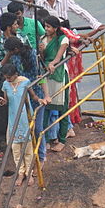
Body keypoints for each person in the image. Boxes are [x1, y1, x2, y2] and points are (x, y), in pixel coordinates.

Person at [0, 63, 48, 185]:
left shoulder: (25, 82)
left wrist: (40, 100)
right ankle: (20, 173)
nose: (7, 79)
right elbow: (7, 100)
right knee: (16, 149)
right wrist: (3, 102)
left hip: (25, 118)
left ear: (15, 74)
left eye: (9, 77)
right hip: (13, 118)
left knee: (28, 148)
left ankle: (29, 173)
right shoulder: (5, 85)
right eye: (5, 77)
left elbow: (33, 96)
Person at [2, 36, 47, 164]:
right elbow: (5, 68)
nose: (9, 54)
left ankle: (41, 156)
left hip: (35, 93)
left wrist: (45, 95)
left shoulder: (33, 54)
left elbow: (41, 74)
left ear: (15, 49)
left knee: (37, 128)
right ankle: (30, 157)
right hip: (21, 96)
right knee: (27, 129)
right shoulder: (14, 58)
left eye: (10, 51)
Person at [39, 16, 71, 153]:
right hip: (46, 74)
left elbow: (58, 56)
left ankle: (62, 139)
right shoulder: (42, 39)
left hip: (59, 73)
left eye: (49, 27)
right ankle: (45, 140)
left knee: (62, 107)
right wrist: (41, 51)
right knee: (46, 107)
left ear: (55, 28)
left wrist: (53, 63)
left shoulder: (62, 39)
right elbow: (42, 58)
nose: (46, 29)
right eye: (45, 26)